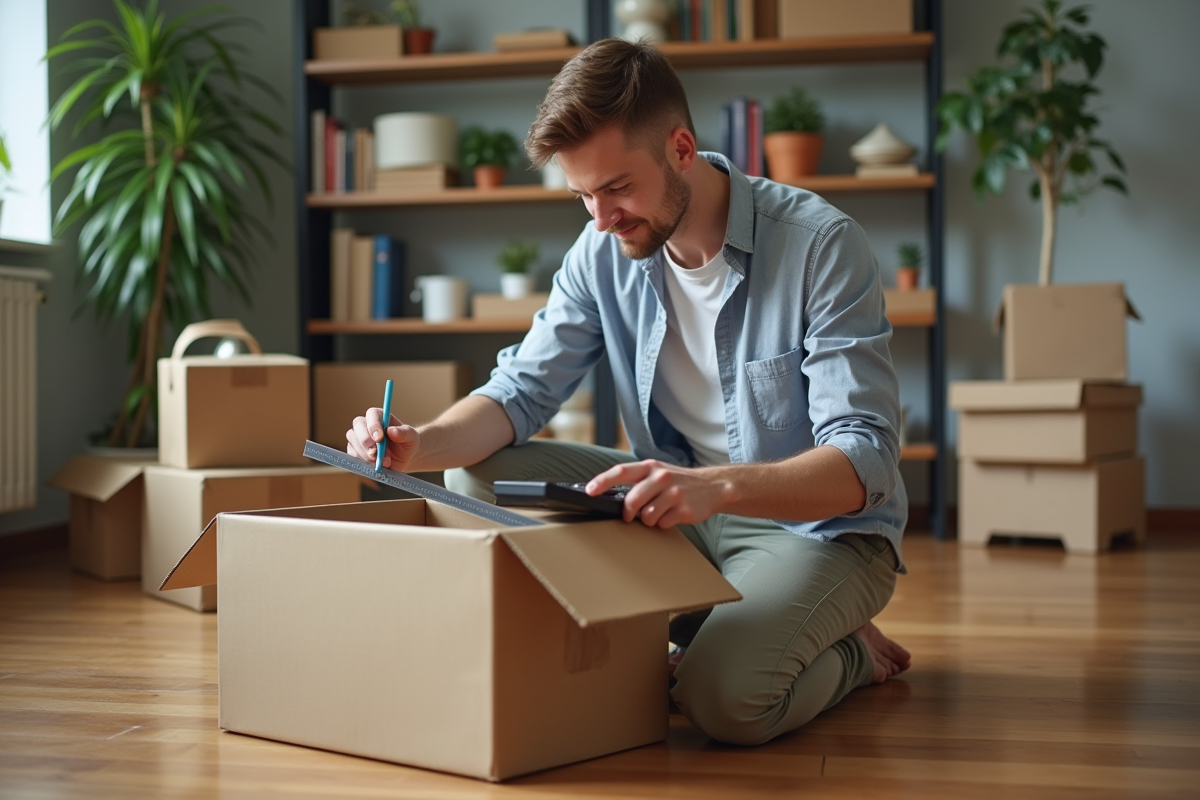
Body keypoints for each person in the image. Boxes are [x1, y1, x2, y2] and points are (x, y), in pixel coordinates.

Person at [347, 38, 911, 746]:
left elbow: (867, 465)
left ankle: (847, 649)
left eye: (616, 187)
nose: (601, 218)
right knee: (478, 472)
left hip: (816, 532)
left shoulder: (821, 245)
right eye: (582, 194)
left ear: (681, 148)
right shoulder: (601, 252)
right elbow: (520, 392)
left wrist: (717, 487)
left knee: (722, 699)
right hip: (680, 518)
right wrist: (418, 443)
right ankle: (754, 619)